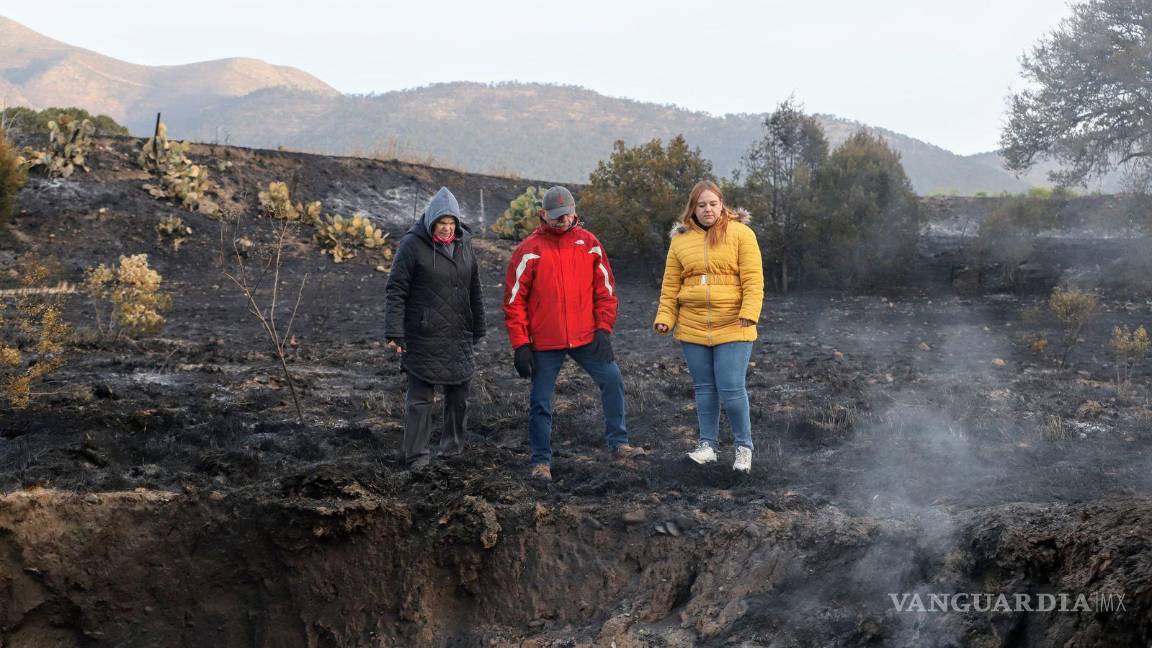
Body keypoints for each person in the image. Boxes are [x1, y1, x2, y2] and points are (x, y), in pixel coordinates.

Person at [503, 185, 646, 482]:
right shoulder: (529, 250)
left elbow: (605, 291)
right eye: (555, 216)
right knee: (541, 401)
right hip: (545, 341)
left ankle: (619, 444)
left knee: (613, 380)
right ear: (543, 215)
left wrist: (603, 331)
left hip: (586, 337)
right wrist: (521, 345)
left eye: (566, 215)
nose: (562, 221)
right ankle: (541, 462)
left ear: (574, 213)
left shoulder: (590, 244)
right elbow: (514, 301)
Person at [653, 181, 764, 473]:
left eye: (713, 204)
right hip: (692, 325)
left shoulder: (742, 234)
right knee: (704, 388)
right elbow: (670, 285)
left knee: (730, 386)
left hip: (733, 323)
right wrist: (665, 317)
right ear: (693, 208)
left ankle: (743, 448)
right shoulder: (680, 240)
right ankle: (708, 446)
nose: (708, 210)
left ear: (722, 205)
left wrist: (749, 312)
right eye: (701, 205)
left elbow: (754, 281)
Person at [384, 187, 485, 469]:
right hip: (423, 333)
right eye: (442, 224)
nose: (447, 229)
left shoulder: (465, 244)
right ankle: (416, 456)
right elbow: (396, 289)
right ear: (431, 222)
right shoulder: (412, 245)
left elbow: (473, 287)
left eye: (452, 224)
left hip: (458, 333)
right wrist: (395, 332)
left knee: (459, 397)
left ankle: (452, 450)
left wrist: (479, 327)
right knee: (420, 399)